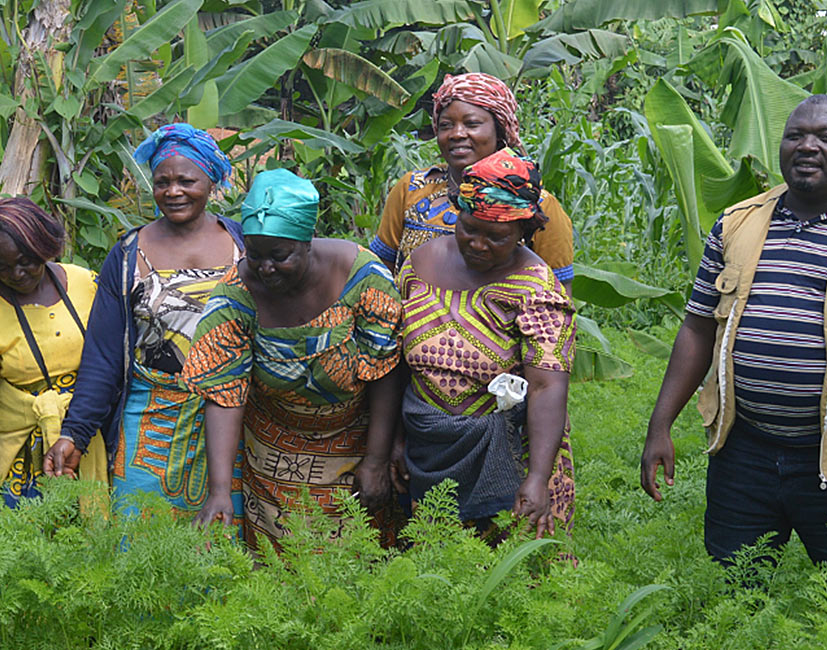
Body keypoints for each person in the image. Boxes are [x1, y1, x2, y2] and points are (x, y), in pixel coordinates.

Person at [642, 95, 827, 564]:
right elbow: (697, 329)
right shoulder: (737, 223)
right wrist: (660, 424)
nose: (807, 147)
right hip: (744, 450)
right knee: (734, 588)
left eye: (826, 138)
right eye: (795, 136)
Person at [184, 169, 403, 551]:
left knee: (354, 569)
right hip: (272, 457)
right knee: (279, 572)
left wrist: (376, 460)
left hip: (354, 445)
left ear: (307, 243)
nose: (265, 268)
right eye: (254, 255)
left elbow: (385, 371)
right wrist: (219, 491)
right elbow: (223, 391)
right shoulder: (235, 297)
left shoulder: (362, 279)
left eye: (279, 256)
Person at [43, 123, 246, 522]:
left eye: (187, 180)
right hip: (149, 421)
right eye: (162, 182)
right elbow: (102, 357)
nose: (173, 191)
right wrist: (75, 434)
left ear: (211, 180)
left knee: (221, 546)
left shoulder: (242, 246)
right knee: (137, 536)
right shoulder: (127, 255)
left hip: (228, 420)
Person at [378, 148, 576, 540]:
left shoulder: (537, 288)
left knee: (511, 577)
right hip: (429, 445)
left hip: (510, 453)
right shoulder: (418, 265)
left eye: (497, 237)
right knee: (434, 569)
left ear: (524, 231)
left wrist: (537, 477)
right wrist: (396, 439)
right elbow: (397, 360)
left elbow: (547, 384)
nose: (479, 244)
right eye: (469, 229)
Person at [0, 197, 106, 505]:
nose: (16, 274)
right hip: (22, 457)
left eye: (25, 261)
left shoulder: (87, 284)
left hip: (87, 436)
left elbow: (110, 360)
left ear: (42, 245)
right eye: (2, 267)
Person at [370, 72, 575, 292]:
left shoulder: (536, 206)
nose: (457, 134)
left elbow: (558, 300)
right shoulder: (411, 189)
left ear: (499, 130)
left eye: (472, 124)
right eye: (446, 125)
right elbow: (380, 274)